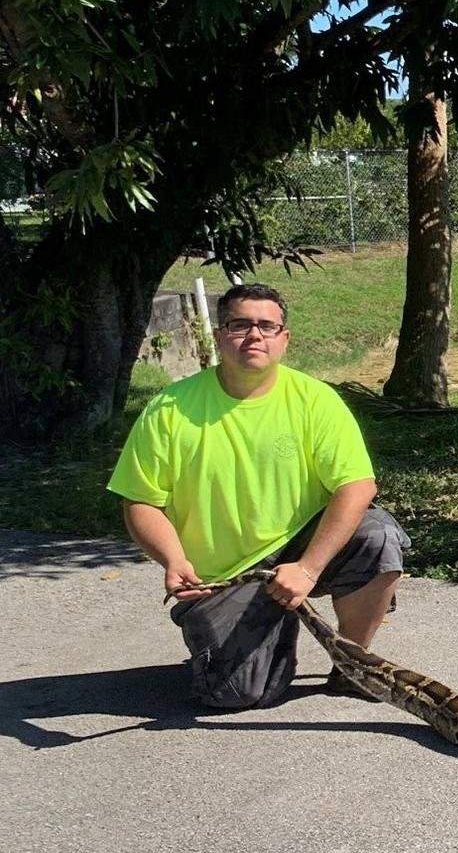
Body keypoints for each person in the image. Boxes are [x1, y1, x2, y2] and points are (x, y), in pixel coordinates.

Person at [108, 281, 410, 701]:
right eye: (240, 325)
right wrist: (173, 560)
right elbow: (140, 500)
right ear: (218, 336)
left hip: (299, 548)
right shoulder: (169, 409)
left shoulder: (315, 400)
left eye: (268, 327)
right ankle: (258, 632)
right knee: (239, 694)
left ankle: (353, 665)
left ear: (284, 339)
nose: (254, 335)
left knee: (377, 534)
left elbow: (357, 485)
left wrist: (306, 569)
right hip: (223, 577)